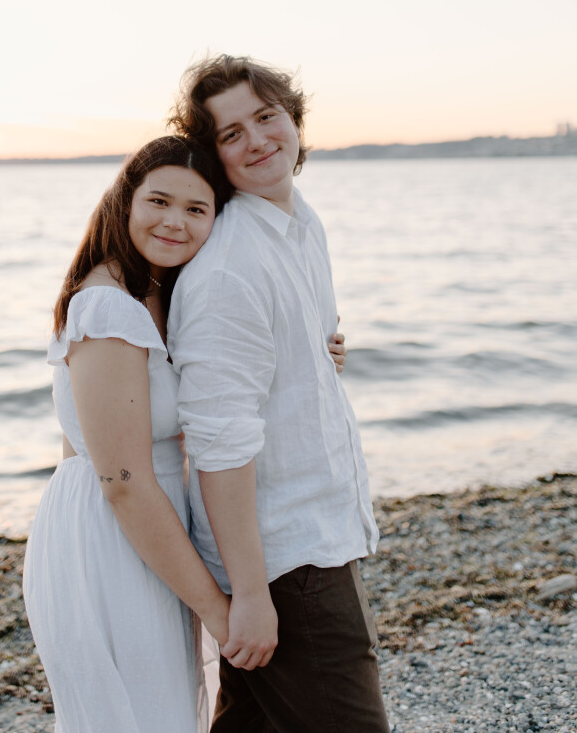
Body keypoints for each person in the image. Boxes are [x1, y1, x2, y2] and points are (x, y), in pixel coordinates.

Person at [167, 55, 390, 732]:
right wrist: (251, 593)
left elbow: (280, 362)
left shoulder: (298, 223)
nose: (258, 140)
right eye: (231, 134)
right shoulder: (229, 270)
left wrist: (320, 355)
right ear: (213, 155)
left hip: (314, 530)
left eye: (266, 117)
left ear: (293, 119)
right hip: (283, 559)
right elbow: (218, 444)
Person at [23, 136, 234, 733]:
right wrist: (217, 612)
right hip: (112, 533)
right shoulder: (109, 305)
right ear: (125, 200)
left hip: (144, 526)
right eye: (159, 201)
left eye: (196, 209)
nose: (174, 221)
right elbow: (122, 481)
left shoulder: (159, 292)